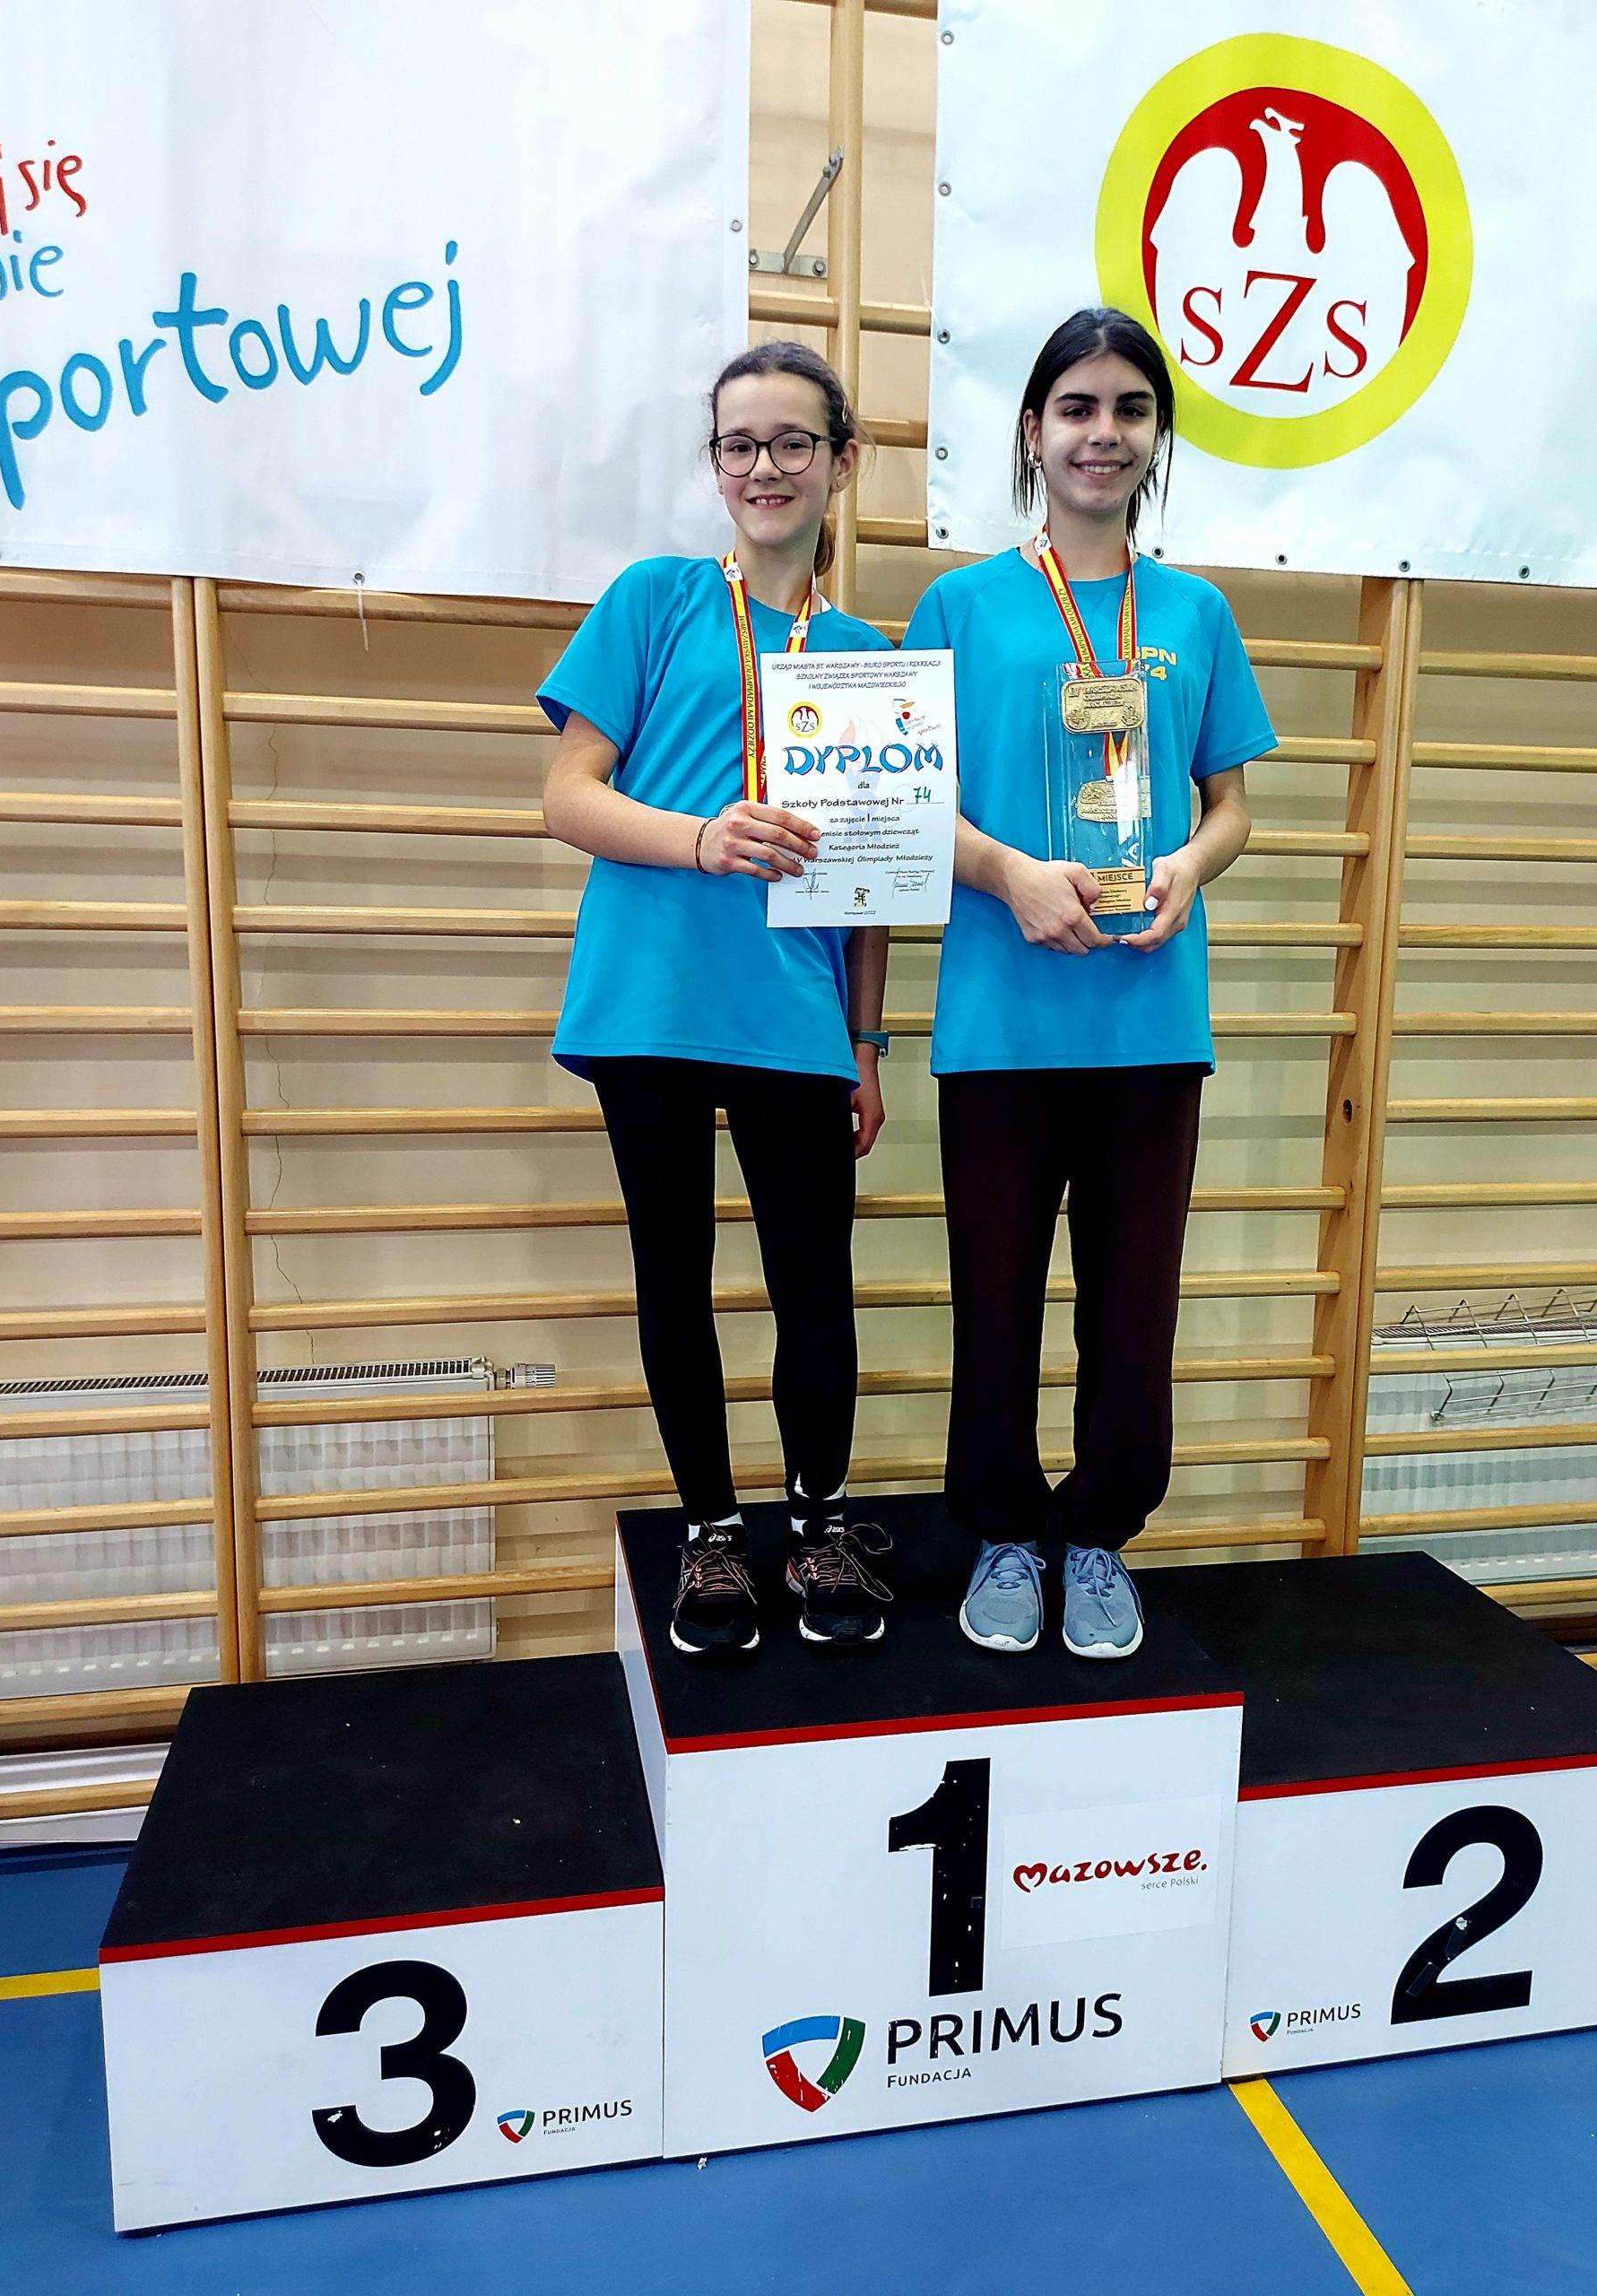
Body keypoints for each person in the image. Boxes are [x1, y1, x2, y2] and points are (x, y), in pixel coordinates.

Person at [903, 307, 1273, 1659]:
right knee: (995, 1301)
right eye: (1076, 407)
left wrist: (1190, 867)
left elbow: (1230, 805)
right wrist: (1009, 874)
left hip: (1149, 1023)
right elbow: (906, 808)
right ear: (1032, 430)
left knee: (1133, 1310)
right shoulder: (959, 606)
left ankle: (1101, 1536)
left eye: (1129, 408)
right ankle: (1006, 1532)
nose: (1102, 434)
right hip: (1000, 1026)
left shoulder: (1195, 612)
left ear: (1155, 434)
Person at [538, 341, 896, 1661]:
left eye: (793, 442)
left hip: (795, 1014)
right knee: (673, 1278)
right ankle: (710, 1531)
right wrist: (702, 838)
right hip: (650, 1003)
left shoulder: (867, 660)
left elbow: (872, 880)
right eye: (739, 444)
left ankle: (818, 1519)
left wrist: (867, 1040)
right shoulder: (655, 599)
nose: (765, 466)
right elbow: (567, 795)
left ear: (841, 463)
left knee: (816, 1286)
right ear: (715, 464)